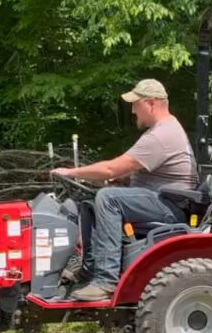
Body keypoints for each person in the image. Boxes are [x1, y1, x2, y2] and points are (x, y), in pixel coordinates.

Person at [52, 79, 197, 301]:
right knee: (90, 204)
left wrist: (71, 172)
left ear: (151, 104)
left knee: (108, 199)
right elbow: (131, 172)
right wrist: (119, 181)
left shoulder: (162, 135)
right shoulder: (163, 130)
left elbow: (112, 167)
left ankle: (105, 281)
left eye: (135, 104)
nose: (132, 110)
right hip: (160, 200)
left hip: (168, 207)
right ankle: (89, 271)